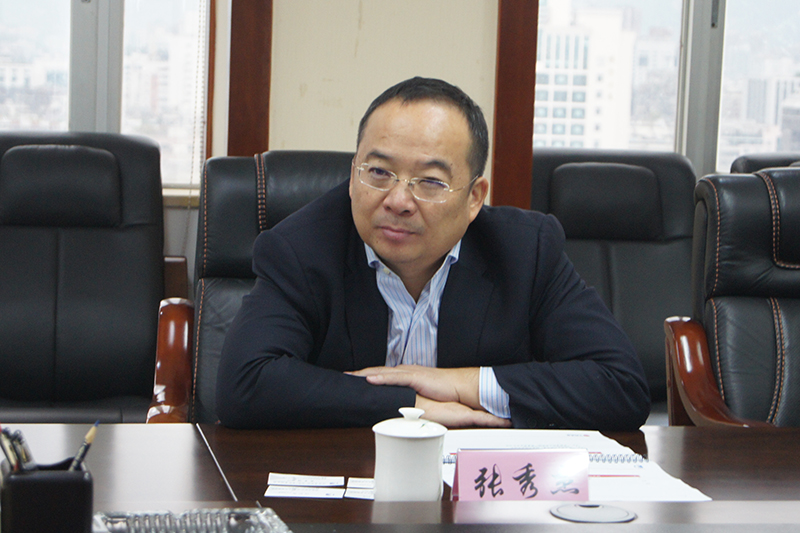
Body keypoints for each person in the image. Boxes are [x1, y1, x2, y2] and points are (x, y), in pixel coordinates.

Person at [216, 76, 650, 430]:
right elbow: (244, 385)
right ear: (352, 176)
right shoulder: (301, 248)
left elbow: (621, 386)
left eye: (430, 181)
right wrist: (410, 404)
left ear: (475, 197)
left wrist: (459, 385)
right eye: (379, 172)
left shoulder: (525, 251)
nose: (398, 200)